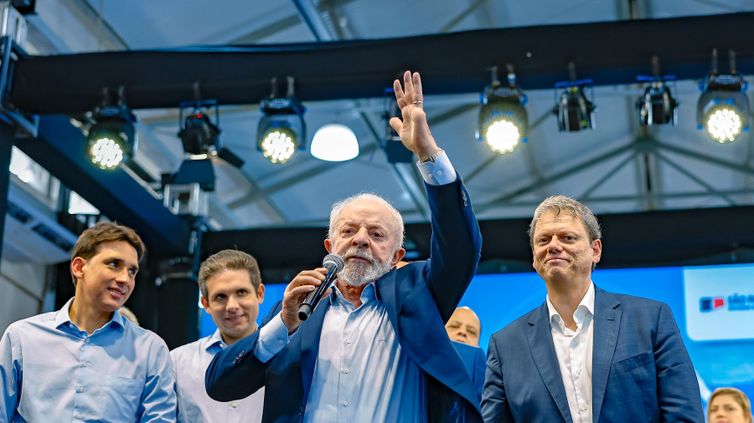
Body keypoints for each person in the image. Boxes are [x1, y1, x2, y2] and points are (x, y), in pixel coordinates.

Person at [205, 70, 483, 422]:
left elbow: (460, 246)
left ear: (398, 256)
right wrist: (283, 324)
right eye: (349, 230)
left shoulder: (418, 294)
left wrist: (428, 153)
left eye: (377, 234)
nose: (361, 239)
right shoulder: (298, 311)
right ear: (329, 245)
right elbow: (221, 385)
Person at [482, 195, 704, 422]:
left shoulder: (650, 320)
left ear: (595, 250)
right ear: (534, 257)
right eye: (543, 240)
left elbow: (684, 415)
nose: (554, 246)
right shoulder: (505, 346)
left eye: (568, 237)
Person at [0, 222, 176, 422]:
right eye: (114, 264)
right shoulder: (22, 338)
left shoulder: (150, 350)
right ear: (79, 267)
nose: (125, 279)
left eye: (132, 271)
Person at [171, 249, 266, 422]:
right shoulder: (177, 362)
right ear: (206, 304)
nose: (232, 306)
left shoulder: (285, 357)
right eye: (220, 297)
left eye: (241, 292)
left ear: (259, 294)